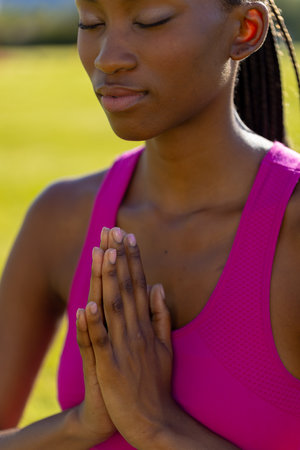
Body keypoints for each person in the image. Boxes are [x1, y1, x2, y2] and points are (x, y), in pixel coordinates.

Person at [0, 0, 300, 448]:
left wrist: (154, 425)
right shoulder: (60, 219)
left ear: (245, 29)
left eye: (150, 21)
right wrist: (82, 423)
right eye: (92, 23)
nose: (108, 57)